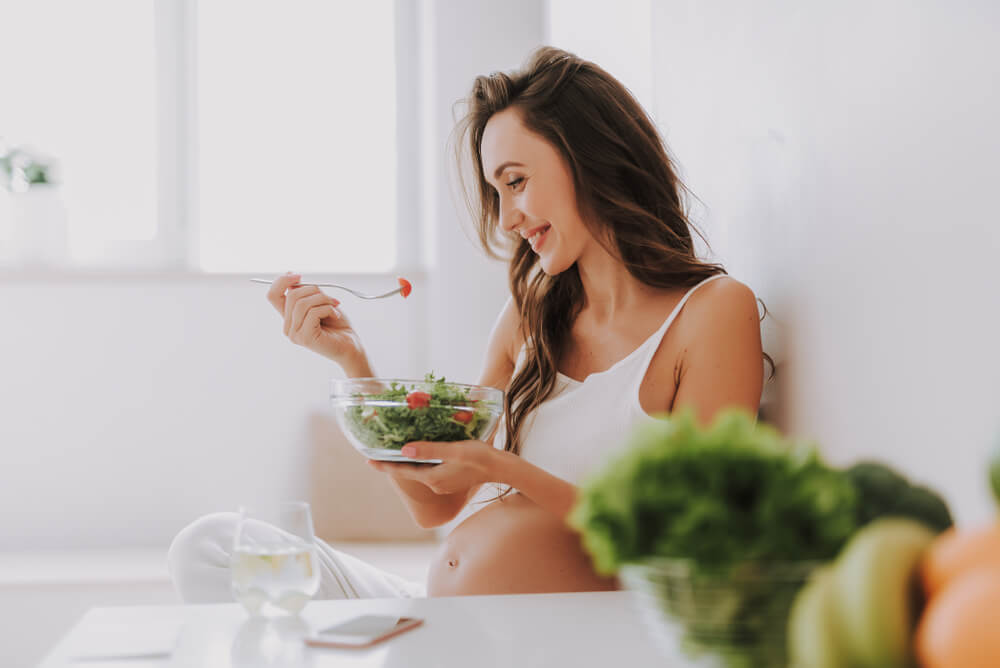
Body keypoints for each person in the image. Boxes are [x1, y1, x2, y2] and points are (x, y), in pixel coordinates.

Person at [167, 46, 764, 602]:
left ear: (592, 157)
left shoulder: (711, 313)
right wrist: (353, 362)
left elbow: (690, 545)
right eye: (496, 192)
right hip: (436, 616)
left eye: (516, 182)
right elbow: (437, 506)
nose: (506, 218)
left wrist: (500, 468)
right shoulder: (530, 314)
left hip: (557, 642)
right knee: (208, 546)